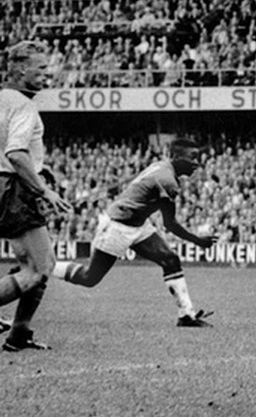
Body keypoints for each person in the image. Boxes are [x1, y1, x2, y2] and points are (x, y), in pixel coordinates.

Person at [52, 137, 217, 327]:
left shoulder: (163, 168)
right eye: (192, 158)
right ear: (176, 157)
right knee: (90, 278)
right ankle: (43, 268)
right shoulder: (167, 180)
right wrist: (198, 240)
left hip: (138, 224)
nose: (197, 163)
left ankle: (186, 316)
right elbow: (169, 224)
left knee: (170, 259)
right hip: (117, 226)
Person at [0, 41, 70, 352]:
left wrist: (40, 169)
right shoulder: (23, 105)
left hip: (7, 185)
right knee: (41, 268)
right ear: (19, 69)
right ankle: (18, 332)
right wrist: (43, 189)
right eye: (40, 69)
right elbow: (15, 153)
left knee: (35, 264)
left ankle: (18, 335)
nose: (47, 74)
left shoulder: (3, 99)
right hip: (15, 189)